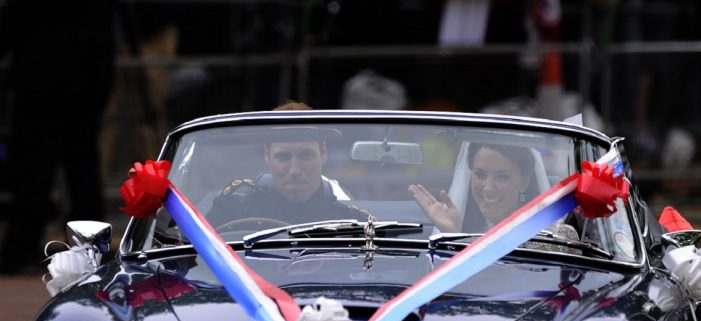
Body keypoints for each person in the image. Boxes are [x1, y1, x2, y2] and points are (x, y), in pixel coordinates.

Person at [0, 0, 116, 274]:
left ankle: (22, 247)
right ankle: (90, 248)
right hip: (85, 74)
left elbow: (18, 16)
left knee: (34, 168)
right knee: (82, 165)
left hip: (43, 76)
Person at [206, 101, 370, 228]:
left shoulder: (353, 223)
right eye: (283, 157)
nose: (295, 170)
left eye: (305, 156)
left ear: (324, 153)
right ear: (267, 156)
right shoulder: (233, 211)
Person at [409, 143, 536, 233]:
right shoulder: (465, 226)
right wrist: (451, 234)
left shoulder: (544, 233)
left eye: (502, 177)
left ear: (524, 183)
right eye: (480, 175)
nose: (488, 188)